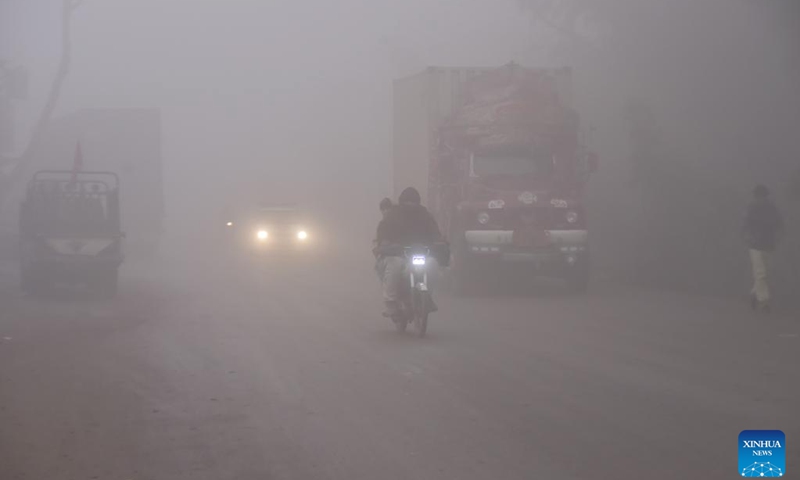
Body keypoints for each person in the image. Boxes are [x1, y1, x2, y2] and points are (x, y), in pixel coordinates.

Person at [374, 187, 443, 317]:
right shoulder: (393, 215)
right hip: (399, 254)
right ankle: (391, 303)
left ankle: (427, 297)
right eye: (408, 201)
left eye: (413, 201)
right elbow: (383, 233)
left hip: (421, 254)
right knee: (394, 266)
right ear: (402, 202)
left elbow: (434, 232)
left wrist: (438, 241)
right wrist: (386, 243)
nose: (410, 204)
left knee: (432, 265)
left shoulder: (425, 214)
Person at [742, 184, 784, 312]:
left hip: (768, 245)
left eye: (762, 195)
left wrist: (778, 236)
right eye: (758, 196)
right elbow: (745, 224)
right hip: (755, 245)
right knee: (761, 273)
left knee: (764, 273)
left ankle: (754, 293)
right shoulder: (751, 208)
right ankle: (764, 301)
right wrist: (747, 236)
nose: (760, 198)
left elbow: (779, 224)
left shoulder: (772, 208)